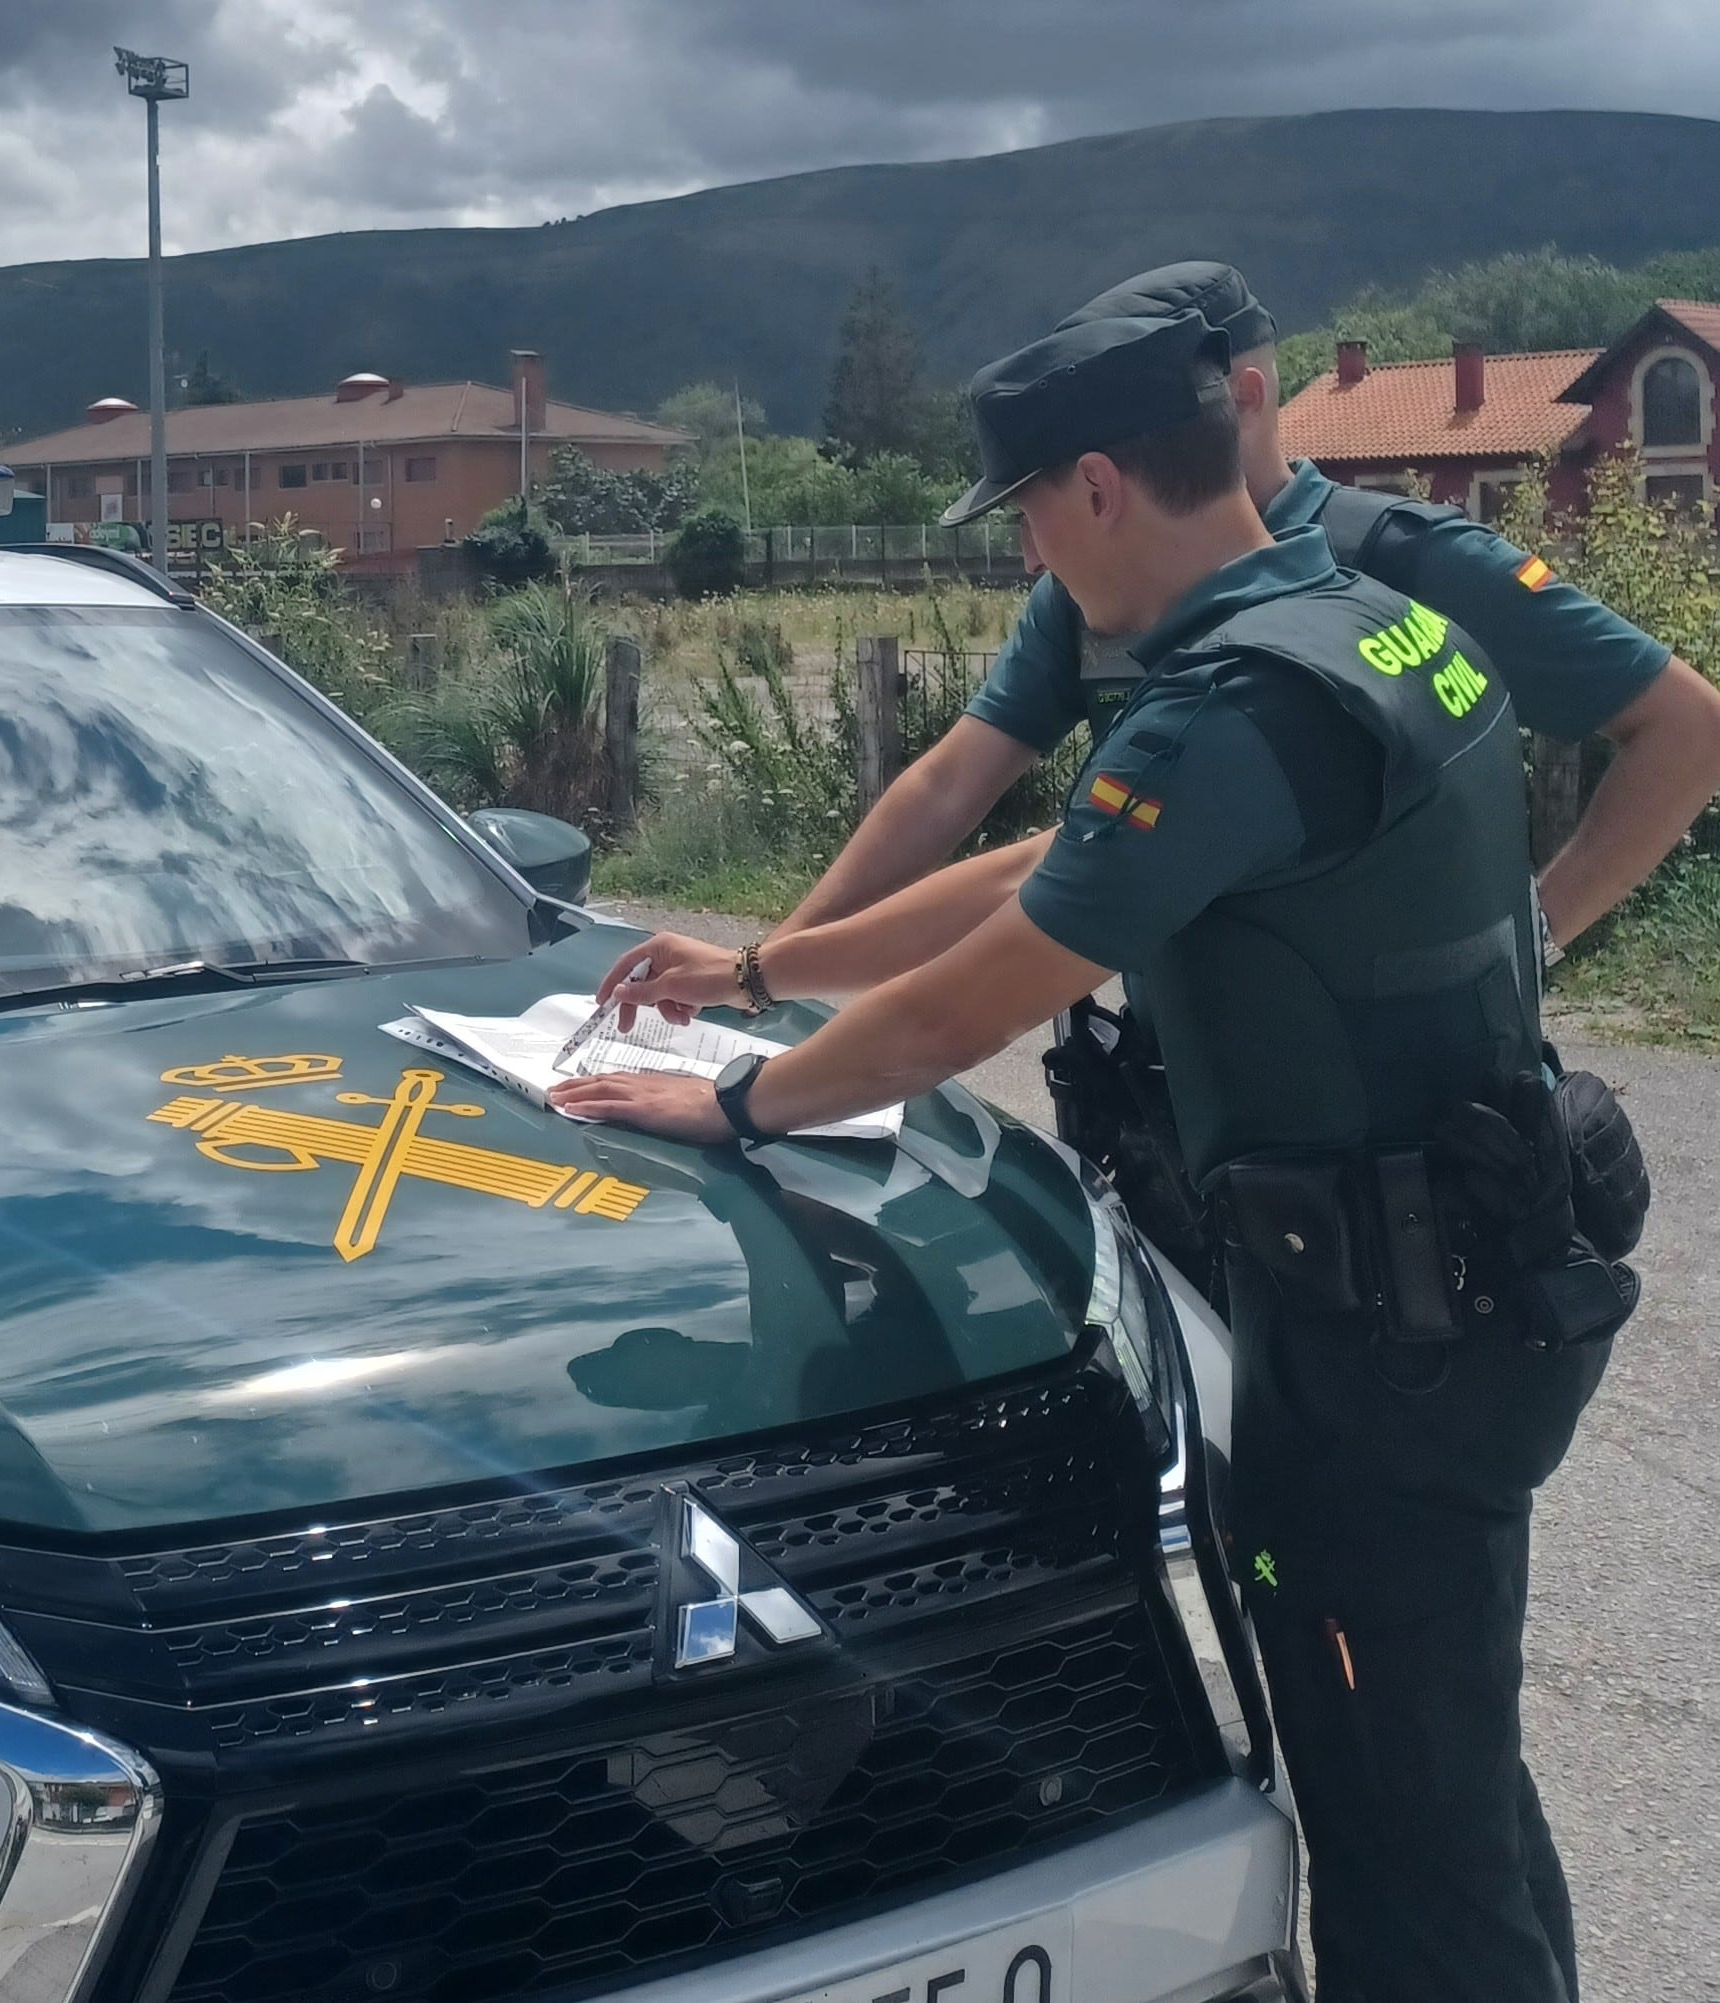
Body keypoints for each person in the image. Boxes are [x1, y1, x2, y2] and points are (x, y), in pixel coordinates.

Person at [552, 304, 1712, 2001]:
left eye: (1020, 507)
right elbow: (1052, 871)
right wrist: (759, 966)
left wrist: (740, 1099)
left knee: (1401, 1820)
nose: (1022, 543)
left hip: (1372, 1343)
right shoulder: (1366, 626)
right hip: (1464, 1288)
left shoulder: (1232, 708)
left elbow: (985, 994)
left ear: (1096, 484)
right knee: (1444, 1755)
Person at [773, 261, 1720, 971]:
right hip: (1192, 1092)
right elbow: (949, 787)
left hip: (1385, 1121)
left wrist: (1535, 936)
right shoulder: (1085, 592)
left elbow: (1687, 727)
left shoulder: (1406, 559)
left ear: (1243, 399)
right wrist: (766, 970)